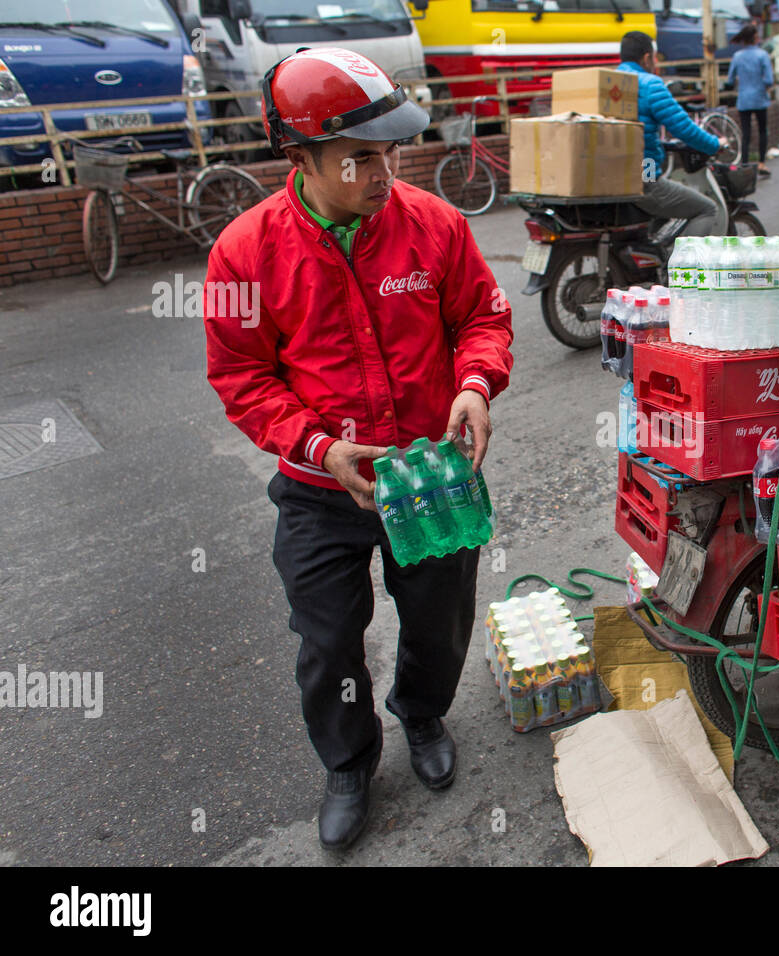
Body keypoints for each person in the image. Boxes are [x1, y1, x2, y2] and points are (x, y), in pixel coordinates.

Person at [203, 48, 514, 851]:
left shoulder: (435, 225)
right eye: (361, 158)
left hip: (432, 473)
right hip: (321, 487)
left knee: (440, 619)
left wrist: (475, 384)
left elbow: (483, 316)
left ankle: (422, 713)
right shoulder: (244, 254)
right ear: (299, 159)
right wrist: (314, 445)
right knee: (328, 636)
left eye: (391, 152)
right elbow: (243, 376)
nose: (386, 171)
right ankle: (347, 761)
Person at [617, 31, 724, 236]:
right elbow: (683, 128)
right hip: (643, 173)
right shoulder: (650, 84)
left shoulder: (610, 83)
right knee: (707, 209)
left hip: (614, 175)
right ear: (647, 58)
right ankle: (679, 267)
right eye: (655, 58)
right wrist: (714, 144)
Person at [727, 23, 775, 174]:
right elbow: (769, 80)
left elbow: (729, 79)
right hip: (760, 98)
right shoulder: (762, 55)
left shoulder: (737, 56)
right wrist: (762, 87)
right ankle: (761, 162)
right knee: (762, 130)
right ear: (755, 38)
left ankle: (745, 163)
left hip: (744, 99)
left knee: (745, 133)